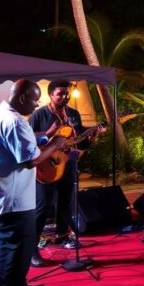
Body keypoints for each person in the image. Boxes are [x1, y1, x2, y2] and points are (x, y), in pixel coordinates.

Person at [0, 79, 68, 286]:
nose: (36, 105)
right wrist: (55, 144)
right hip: (9, 199)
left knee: (14, 245)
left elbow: (15, 143)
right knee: (15, 247)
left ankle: (17, 285)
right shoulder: (14, 121)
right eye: (35, 100)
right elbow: (31, 160)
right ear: (23, 97)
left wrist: (44, 138)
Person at [29, 80, 99, 265]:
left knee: (66, 203)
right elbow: (28, 140)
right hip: (46, 167)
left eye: (67, 93)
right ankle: (31, 249)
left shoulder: (73, 114)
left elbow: (79, 142)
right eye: (60, 93)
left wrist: (91, 137)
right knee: (42, 207)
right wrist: (49, 132)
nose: (65, 97)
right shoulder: (39, 114)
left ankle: (63, 235)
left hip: (67, 165)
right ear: (51, 94)